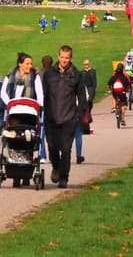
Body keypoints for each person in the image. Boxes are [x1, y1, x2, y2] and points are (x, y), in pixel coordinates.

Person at [42, 44, 82, 188]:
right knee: (52, 147)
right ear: (58, 57)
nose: (64, 60)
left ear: (70, 58)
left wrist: (79, 113)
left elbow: (81, 96)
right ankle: (56, 167)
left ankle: (64, 177)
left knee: (65, 149)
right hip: (51, 117)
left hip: (68, 117)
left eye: (67, 58)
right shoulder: (49, 73)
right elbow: (43, 94)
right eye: (62, 57)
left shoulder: (76, 74)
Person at [77, 59, 97, 164]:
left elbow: (94, 82)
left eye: (87, 64)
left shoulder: (92, 71)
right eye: (84, 64)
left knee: (89, 104)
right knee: (87, 107)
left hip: (90, 89)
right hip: (84, 90)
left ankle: (86, 124)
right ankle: (86, 126)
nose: (86, 65)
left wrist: (93, 90)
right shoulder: (81, 73)